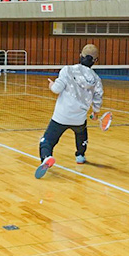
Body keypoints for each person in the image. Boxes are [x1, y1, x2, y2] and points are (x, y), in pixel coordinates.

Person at [35, 44, 104, 179]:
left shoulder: (67, 70)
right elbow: (98, 97)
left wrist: (51, 85)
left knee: (47, 141)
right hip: (79, 118)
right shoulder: (96, 79)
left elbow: (56, 89)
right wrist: (96, 113)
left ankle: (46, 157)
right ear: (95, 61)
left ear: (80, 56)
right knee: (81, 132)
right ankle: (80, 155)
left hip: (61, 117)